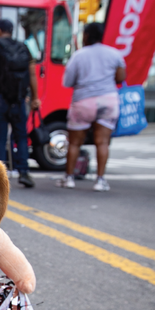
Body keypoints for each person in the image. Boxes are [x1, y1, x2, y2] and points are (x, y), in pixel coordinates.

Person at [58, 20, 126, 192]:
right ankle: (100, 180)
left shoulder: (79, 55)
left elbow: (67, 81)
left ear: (86, 36)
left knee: (74, 143)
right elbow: (120, 78)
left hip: (83, 102)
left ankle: (69, 178)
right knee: (102, 142)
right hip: (107, 101)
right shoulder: (114, 54)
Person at [0, 18, 38, 189]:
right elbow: (32, 75)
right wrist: (34, 97)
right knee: (21, 137)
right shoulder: (24, 48)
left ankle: (0, 177)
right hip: (18, 100)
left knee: (0, 138)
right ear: (11, 31)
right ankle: (24, 172)